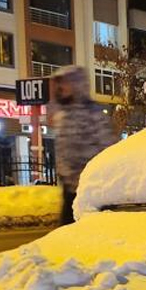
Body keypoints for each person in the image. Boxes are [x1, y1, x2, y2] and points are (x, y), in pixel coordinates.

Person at [49, 66, 119, 224]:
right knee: (67, 233)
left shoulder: (93, 115)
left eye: (65, 84)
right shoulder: (63, 115)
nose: (61, 88)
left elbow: (107, 149)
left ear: (76, 85)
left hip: (90, 188)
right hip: (69, 188)